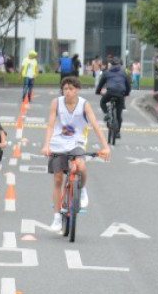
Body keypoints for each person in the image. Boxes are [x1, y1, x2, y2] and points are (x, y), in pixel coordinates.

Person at [44, 77, 111, 232]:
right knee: (58, 178)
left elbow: (95, 125)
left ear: (78, 90)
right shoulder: (56, 103)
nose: (68, 92)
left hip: (76, 142)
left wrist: (106, 147)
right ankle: (56, 218)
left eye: (71, 89)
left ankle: (81, 189)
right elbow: (50, 125)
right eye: (65, 89)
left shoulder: (84, 105)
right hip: (57, 143)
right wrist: (46, 145)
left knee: (80, 166)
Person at [95, 57, 131, 137]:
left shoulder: (107, 72)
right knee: (119, 115)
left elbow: (100, 84)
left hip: (110, 92)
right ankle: (117, 132)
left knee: (102, 102)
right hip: (120, 94)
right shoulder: (123, 73)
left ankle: (107, 113)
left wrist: (98, 92)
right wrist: (126, 93)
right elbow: (128, 85)